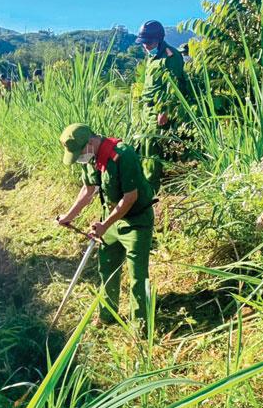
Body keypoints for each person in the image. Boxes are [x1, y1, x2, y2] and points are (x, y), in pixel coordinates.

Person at [56, 124, 155, 326]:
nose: (79, 158)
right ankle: (107, 315)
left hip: (136, 220)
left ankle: (141, 324)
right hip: (110, 220)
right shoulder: (90, 158)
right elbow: (88, 189)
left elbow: (130, 197)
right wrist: (68, 216)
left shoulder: (123, 154)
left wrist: (105, 224)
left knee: (138, 275)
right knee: (107, 268)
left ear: (91, 142)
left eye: (79, 153)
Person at [136, 20, 186, 194]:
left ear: (159, 39)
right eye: (143, 43)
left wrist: (164, 110)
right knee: (143, 145)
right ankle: (144, 182)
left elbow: (173, 86)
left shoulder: (170, 57)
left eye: (148, 42)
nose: (145, 46)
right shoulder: (152, 57)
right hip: (146, 109)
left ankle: (150, 188)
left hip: (158, 110)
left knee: (152, 147)